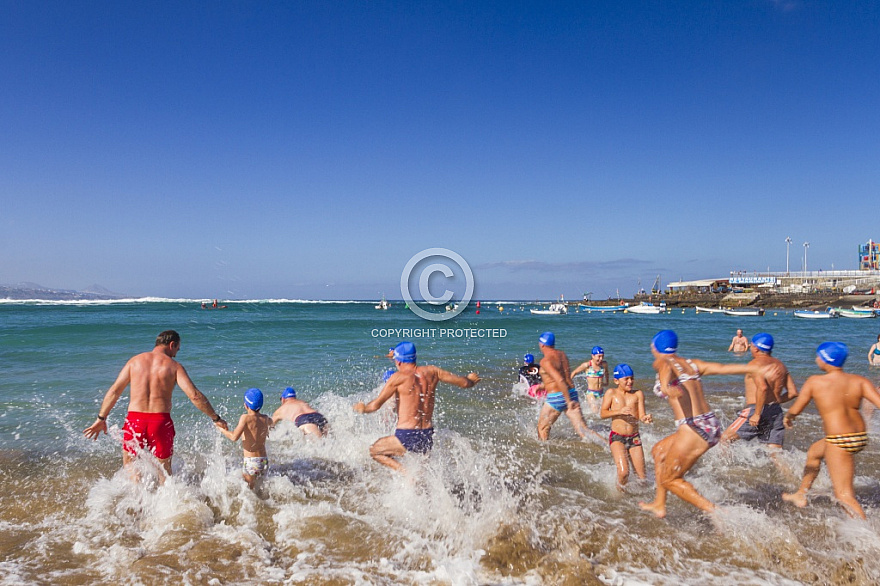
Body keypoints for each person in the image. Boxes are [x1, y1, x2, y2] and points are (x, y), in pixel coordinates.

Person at [639, 329, 780, 518]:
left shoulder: (663, 361)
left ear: (657, 347)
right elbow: (722, 368)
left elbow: (665, 369)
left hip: (694, 428)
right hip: (709, 423)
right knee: (659, 452)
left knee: (670, 479)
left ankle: (718, 514)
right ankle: (659, 504)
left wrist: (665, 387)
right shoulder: (692, 364)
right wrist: (750, 368)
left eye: (652, 346)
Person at [83, 330, 227, 482]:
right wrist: (215, 418)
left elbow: (114, 391)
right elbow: (195, 396)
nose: (176, 353)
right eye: (177, 349)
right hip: (160, 422)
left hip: (135, 421)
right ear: (172, 344)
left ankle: (137, 501)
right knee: (164, 471)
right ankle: (165, 503)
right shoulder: (174, 366)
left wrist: (101, 418)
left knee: (130, 465)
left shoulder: (134, 361)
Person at [782, 342, 880, 519]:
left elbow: (797, 408)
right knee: (814, 452)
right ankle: (801, 494)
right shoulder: (859, 380)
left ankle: (867, 536)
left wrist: (788, 417)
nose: (816, 358)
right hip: (859, 436)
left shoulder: (815, 382)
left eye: (819, 356)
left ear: (827, 360)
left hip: (840, 439)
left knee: (843, 494)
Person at [353, 341, 480, 472]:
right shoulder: (433, 372)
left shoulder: (398, 378)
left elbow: (376, 405)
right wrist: (470, 379)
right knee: (422, 469)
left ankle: (406, 473)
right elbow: (464, 383)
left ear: (399, 362)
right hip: (427, 435)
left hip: (406, 436)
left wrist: (363, 408)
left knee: (375, 451)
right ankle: (416, 483)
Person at [721, 333, 799, 449]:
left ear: (756, 348)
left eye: (751, 346)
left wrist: (757, 414)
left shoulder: (754, 364)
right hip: (775, 411)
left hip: (756, 409)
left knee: (724, 440)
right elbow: (793, 393)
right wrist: (776, 401)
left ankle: (726, 468)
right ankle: (792, 468)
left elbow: (763, 388)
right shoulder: (780, 365)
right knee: (776, 454)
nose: (749, 348)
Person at [535, 332, 601, 442]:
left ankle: (544, 454)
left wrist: (567, 401)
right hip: (571, 392)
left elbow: (559, 380)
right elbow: (561, 376)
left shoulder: (545, 361)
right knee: (584, 430)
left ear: (542, 345)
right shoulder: (562, 354)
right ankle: (609, 446)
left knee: (542, 428)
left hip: (558, 397)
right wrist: (543, 386)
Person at [600, 364, 653, 490]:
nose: (630, 381)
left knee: (642, 479)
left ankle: (635, 502)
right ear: (616, 381)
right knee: (624, 473)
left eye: (632, 378)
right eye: (627, 379)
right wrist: (619, 411)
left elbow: (641, 415)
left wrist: (645, 419)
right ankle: (620, 496)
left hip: (634, 437)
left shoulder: (638, 394)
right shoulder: (611, 393)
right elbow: (603, 413)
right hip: (617, 437)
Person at [219, 388, 272, 489]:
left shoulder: (245, 418)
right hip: (264, 460)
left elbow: (234, 437)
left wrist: (222, 430)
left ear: (246, 405)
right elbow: (271, 423)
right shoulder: (265, 418)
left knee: (249, 491)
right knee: (261, 487)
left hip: (251, 462)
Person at [572, 346, 610, 414]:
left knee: (603, 411)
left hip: (601, 392)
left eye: (602, 356)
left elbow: (607, 372)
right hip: (591, 393)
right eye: (599, 356)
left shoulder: (604, 364)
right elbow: (574, 372)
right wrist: (568, 383)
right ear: (593, 356)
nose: (601, 359)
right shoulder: (587, 365)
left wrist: (607, 382)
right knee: (595, 411)